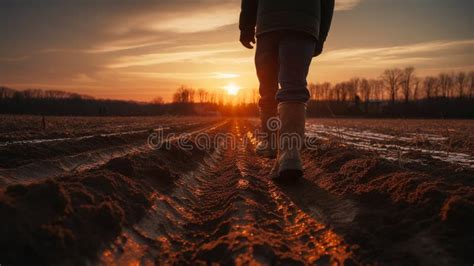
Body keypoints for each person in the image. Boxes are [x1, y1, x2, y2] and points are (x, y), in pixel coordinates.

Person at [239, 0, 335, 181]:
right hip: (304, 23)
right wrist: (320, 35)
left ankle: (271, 144)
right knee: (294, 86)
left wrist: (246, 26)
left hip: (269, 22)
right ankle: (289, 155)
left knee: (268, 90)